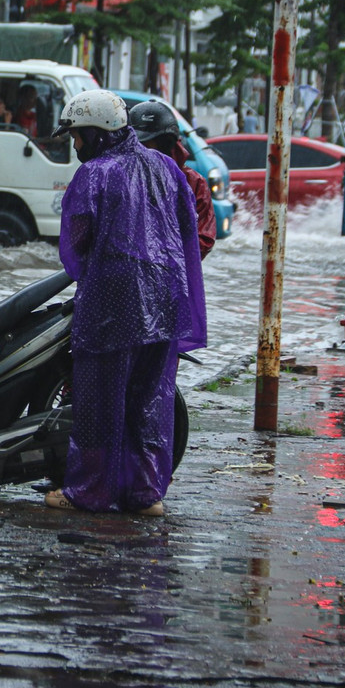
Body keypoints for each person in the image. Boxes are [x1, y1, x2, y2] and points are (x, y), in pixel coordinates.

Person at [43, 91, 206, 517]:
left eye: (77, 136)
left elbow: (76, 244)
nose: (75, 145)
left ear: (96, 133)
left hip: (111, 306)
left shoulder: (94, 174)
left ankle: (88, 492)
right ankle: (146, 495)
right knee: (150, 402)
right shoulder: (167, 168)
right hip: (166, 301)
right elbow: (187, 233)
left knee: (99, 402)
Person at [128, 100, 217, 260]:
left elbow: (203, 240)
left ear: (165, 144)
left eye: (146, 145)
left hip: (175, 271)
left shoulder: (193, 183)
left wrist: (162, 254)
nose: (141, 151)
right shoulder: (121, 177)